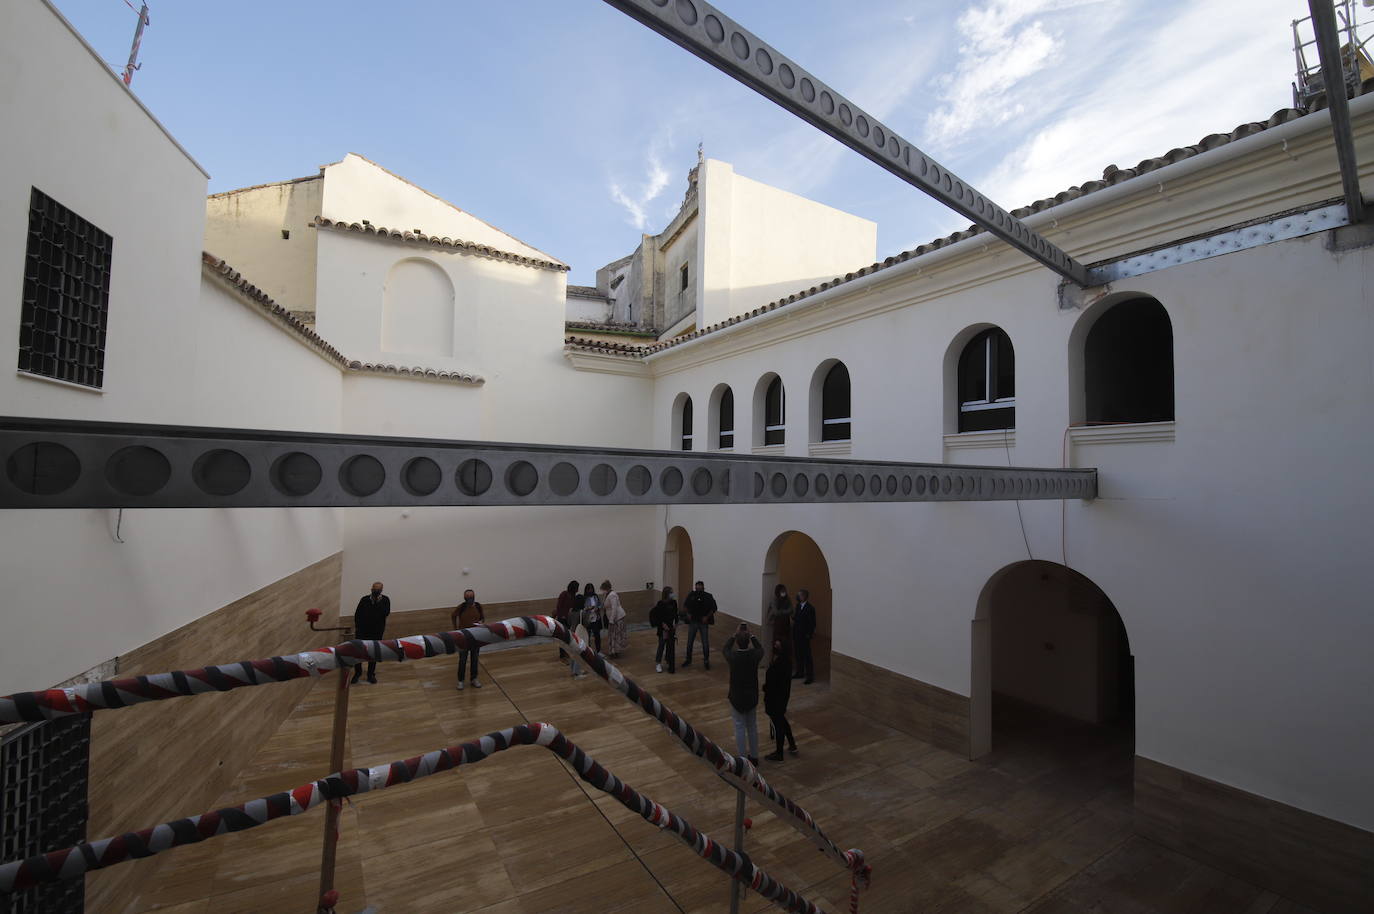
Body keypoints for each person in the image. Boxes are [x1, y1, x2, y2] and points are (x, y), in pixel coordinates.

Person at [722, 623, 764, 765]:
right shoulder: (754, 656)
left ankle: (742, 759)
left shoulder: (733, 657)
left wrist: (734, 635)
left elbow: (725, 649)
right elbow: (760, 649)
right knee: (752, 726)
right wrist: (751, 635)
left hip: (737, 697)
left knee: (739, 727)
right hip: (752, 696)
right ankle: (755, 756)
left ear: (738, 643)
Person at [763, 639, 799, 761]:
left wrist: (766, 688)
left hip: (775, 698)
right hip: (781, 697)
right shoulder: (785, 661)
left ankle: (779, 753)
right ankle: (792, 743)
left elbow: (772, 681)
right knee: (782, 720)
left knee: (779, 724)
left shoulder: (780, 664)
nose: (774, 645)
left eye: (777, 645)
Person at [352, 581, 390, 684]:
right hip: (362, 631)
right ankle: (357, 673)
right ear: (371, 589)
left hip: (376, 632)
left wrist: (377, 602)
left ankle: (370, 674)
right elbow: (357, 614)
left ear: (381, 590)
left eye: (378, 589)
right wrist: (358, 628)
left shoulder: (385, 600)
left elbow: (386, 613)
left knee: (373, 653)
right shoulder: (364, 599)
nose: (375, 591)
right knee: (358, 653)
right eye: (374, 589)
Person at [450, 588, 484, 691]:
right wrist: (456, 629)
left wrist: (481, 623)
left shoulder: (478, 606)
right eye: (468, 597)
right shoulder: (462, 607)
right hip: (463, 637)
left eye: (471, 596)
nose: (470, 598)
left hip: (476, 637)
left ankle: (474, 679)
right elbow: (453, 615)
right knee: (463, 660)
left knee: (474, 658)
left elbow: (482, 618)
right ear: (465, 598)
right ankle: (460, 681)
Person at [682, 580, 716, 671]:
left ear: (703, 588)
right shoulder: (692, 595)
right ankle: (688, 659)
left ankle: (706, 660)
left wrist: (707, 617)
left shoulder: (708, 596)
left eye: (700, 588)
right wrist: (688, 614)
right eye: (697, 588)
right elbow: (685, 605)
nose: (698, 590)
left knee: (705, 643)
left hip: (703, 623)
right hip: (693, 622)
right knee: (690, 642)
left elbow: (714, 608)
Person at [650, 586, 678, 673]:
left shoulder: (674, 602)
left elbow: (675, 614)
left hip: (671, 627)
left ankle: (669, 660)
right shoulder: (660, 603)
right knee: (661, 645)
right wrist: (663, 624)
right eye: (671, 592)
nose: (672, 594)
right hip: (663, 628)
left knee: (670, 646)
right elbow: (658, 616)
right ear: (667, 594)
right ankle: (658, 663)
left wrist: (676, 623)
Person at [792, 588, 816, 685]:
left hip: (804, 636)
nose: (798, 597)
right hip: (797, 634)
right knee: (798, 654)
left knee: (807, 656)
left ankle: (810, 676)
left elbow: (812, 623)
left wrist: (809, 635)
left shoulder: (810, 608)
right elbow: (797, 618)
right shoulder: (798, 606)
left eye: (799, 595)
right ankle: (800, 672)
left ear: (804, 596)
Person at [602, 580, 628, 658]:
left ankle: (616, 652)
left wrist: (611, 620)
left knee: (616, 635)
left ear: (606, 588)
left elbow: (614, 608)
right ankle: (612, 651)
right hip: (613, 618)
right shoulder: (607, 594)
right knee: (612, 635)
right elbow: (605, 605)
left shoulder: (612, 595)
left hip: (617, 618)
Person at [555, 580, 578, 663]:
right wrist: (561, 615)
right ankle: (562, 655)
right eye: (576, 588)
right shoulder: (564, 594)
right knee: (562, 638)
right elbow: (559, 606)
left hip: (568, 619)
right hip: (562, 619)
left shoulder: (573, 596)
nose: (577, 590)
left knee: (567, 638)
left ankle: (565, 653)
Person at [765, 583, 793, 653]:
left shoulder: (787, 598)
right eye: (782, 591)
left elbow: (791, 609)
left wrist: (782, 611)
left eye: (784, 590)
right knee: (777, 641)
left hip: (786, 623)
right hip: (778, 625)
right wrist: (785, 612)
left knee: (786, 640)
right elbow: (776, 612)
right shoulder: (774, 599)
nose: (784, 592)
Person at [581, 582, 603, 654]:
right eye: (589, 589)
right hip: (588, 619)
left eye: (592, 589)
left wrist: (598, 608)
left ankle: (599, 651)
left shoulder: (595, 596)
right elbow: (582, 609)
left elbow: (600, 605)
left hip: (596, 618)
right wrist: (588, 608)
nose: (590, 591)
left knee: (597, 634)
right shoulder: (584, 598)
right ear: (586, 590)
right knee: (587, 636)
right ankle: (588, 651)